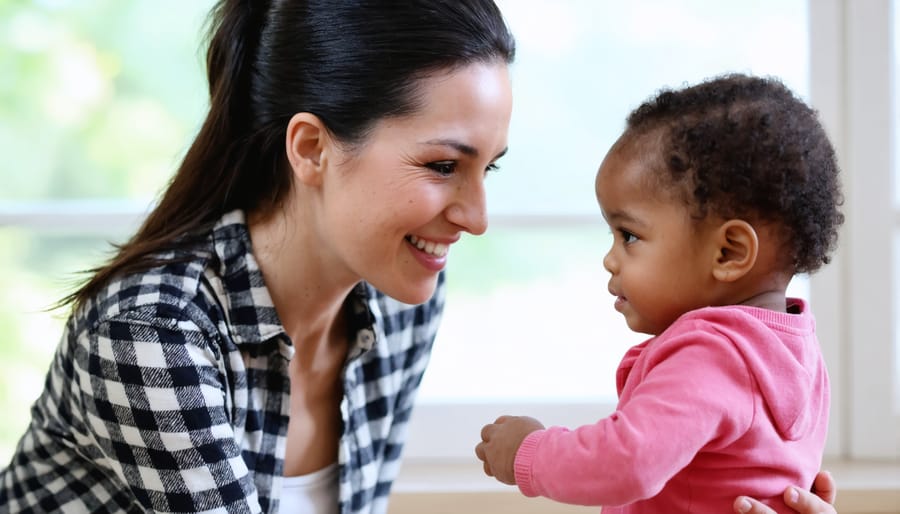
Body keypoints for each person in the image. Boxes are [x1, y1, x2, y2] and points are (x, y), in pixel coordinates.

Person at [0, 0, 838, 511]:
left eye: (488, 170)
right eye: (443, 166)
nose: (475, 218)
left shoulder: (401, 308)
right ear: (312, 148)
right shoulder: (154, 334)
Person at [475, 73, 843, 513]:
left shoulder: (712, 354)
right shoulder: (793, 353)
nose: (610, 259)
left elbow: (627, 462)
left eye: (628, 235)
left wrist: (527, 450)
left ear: (729, 252)